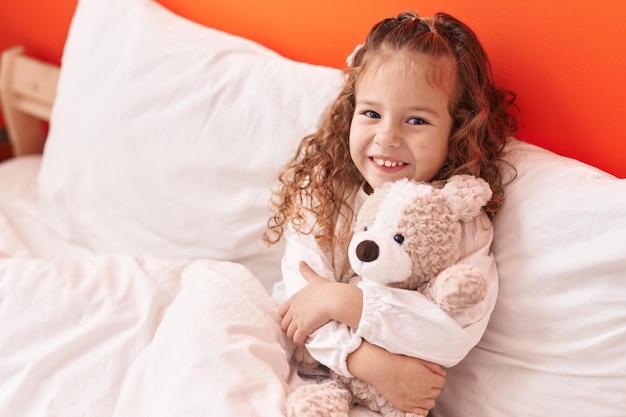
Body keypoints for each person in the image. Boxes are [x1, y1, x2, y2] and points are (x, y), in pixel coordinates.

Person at [263, 10, 517, 416]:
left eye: (416, 120)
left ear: (457, 129)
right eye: (372, 114)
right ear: (350, 112)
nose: (387, 137)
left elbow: (450, 336)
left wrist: (343, 302)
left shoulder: (461, 222)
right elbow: (299, 308)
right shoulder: (325, 195)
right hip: (305, 368)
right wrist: (369, 362)